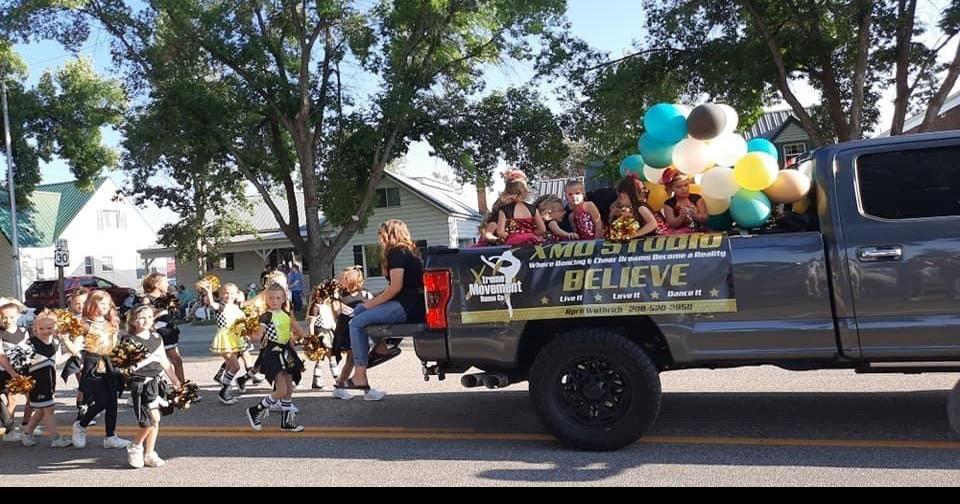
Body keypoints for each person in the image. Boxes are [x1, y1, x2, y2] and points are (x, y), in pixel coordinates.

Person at [341, 220, 424, 401]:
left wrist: (368, 304)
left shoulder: (396, 252)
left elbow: (395, 288)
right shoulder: (409, 251)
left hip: (406, 306)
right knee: (361, 315)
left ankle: (360, 374)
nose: (380, 239)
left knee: (356, 321)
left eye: (381, 234)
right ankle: (381, 348)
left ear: (389, 234)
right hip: (412, 303)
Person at [123, 305, 181, 468]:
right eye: (141, 317)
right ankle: (135, 446)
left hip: (156, 382)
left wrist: (175, 380)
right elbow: (125, 367)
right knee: (150, 420)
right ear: (133, 321)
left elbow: (163, 360)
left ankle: (149, 453)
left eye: (149, 316)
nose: (145, 320)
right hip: (140, 384)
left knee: (157, 419)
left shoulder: (156, 337)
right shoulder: (128, 340)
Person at [71, 290, 131, 450]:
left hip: (111, 365)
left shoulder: (111, 323)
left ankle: (111, 436)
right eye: (101, 303)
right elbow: (76, 346)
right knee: (102, 400)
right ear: (92, 304)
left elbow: (115, 344)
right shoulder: (84, 324)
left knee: (112, 402)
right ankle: (81, 425)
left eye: (107, 303)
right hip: (93, 366)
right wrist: (68, 342)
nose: (105, 307)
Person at [245, 284, 306, 433]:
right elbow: (259, 336)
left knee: (289, 388)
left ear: (284, 298)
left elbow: (296, 332)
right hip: (273, 352)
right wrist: (246, 333)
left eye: (278, 297)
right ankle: (256, 409)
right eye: (271, 298)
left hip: (286, 351)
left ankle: (286, 422)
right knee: (281, 389)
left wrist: (307, 339)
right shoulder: (266, 315)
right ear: (266, 299)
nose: (274, 300)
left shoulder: (286, 314)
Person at [19, 311, 75, 448]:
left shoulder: (56, 343)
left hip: (50, 382)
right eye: (41, 328)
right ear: (35, 329)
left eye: (49, 328)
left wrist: (69, 352)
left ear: (55, 328)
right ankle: (56, 438)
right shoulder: (30, 344)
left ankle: (27, 433)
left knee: (41, 409)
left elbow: (57, 361)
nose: (45, 331)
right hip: (35, 383)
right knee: (49, 410)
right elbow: (21, 364)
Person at [206, 284, 246, 405]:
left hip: (236, 338)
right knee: (235, 367)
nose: (229, 296)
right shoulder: (221, 306)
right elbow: (213, 304)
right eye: (226, 293)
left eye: (232, 293)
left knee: (229, 367)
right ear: (221, 294)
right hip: (225, 339)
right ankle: (223, 391)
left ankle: (225, 390)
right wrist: (209, 292)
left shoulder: (236, 306)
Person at [496, 180, 546, 246]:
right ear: (525, 192)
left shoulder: (504, 209)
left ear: (508, 193)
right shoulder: (533, 208)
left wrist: (510, 236)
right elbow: (542, 229)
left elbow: (500, 232)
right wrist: (530, 234)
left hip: (514, 242)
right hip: (532, 241)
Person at [661, 167, 709, 234]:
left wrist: (695, 215)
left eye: (686, 185)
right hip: (679, 233)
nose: (684, 189)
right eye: (679, 187)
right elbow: (671, 223)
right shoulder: (669, 204)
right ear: (671, 188)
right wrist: (681, 217)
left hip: (699, 231)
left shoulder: (697, 198)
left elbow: (705, 218)